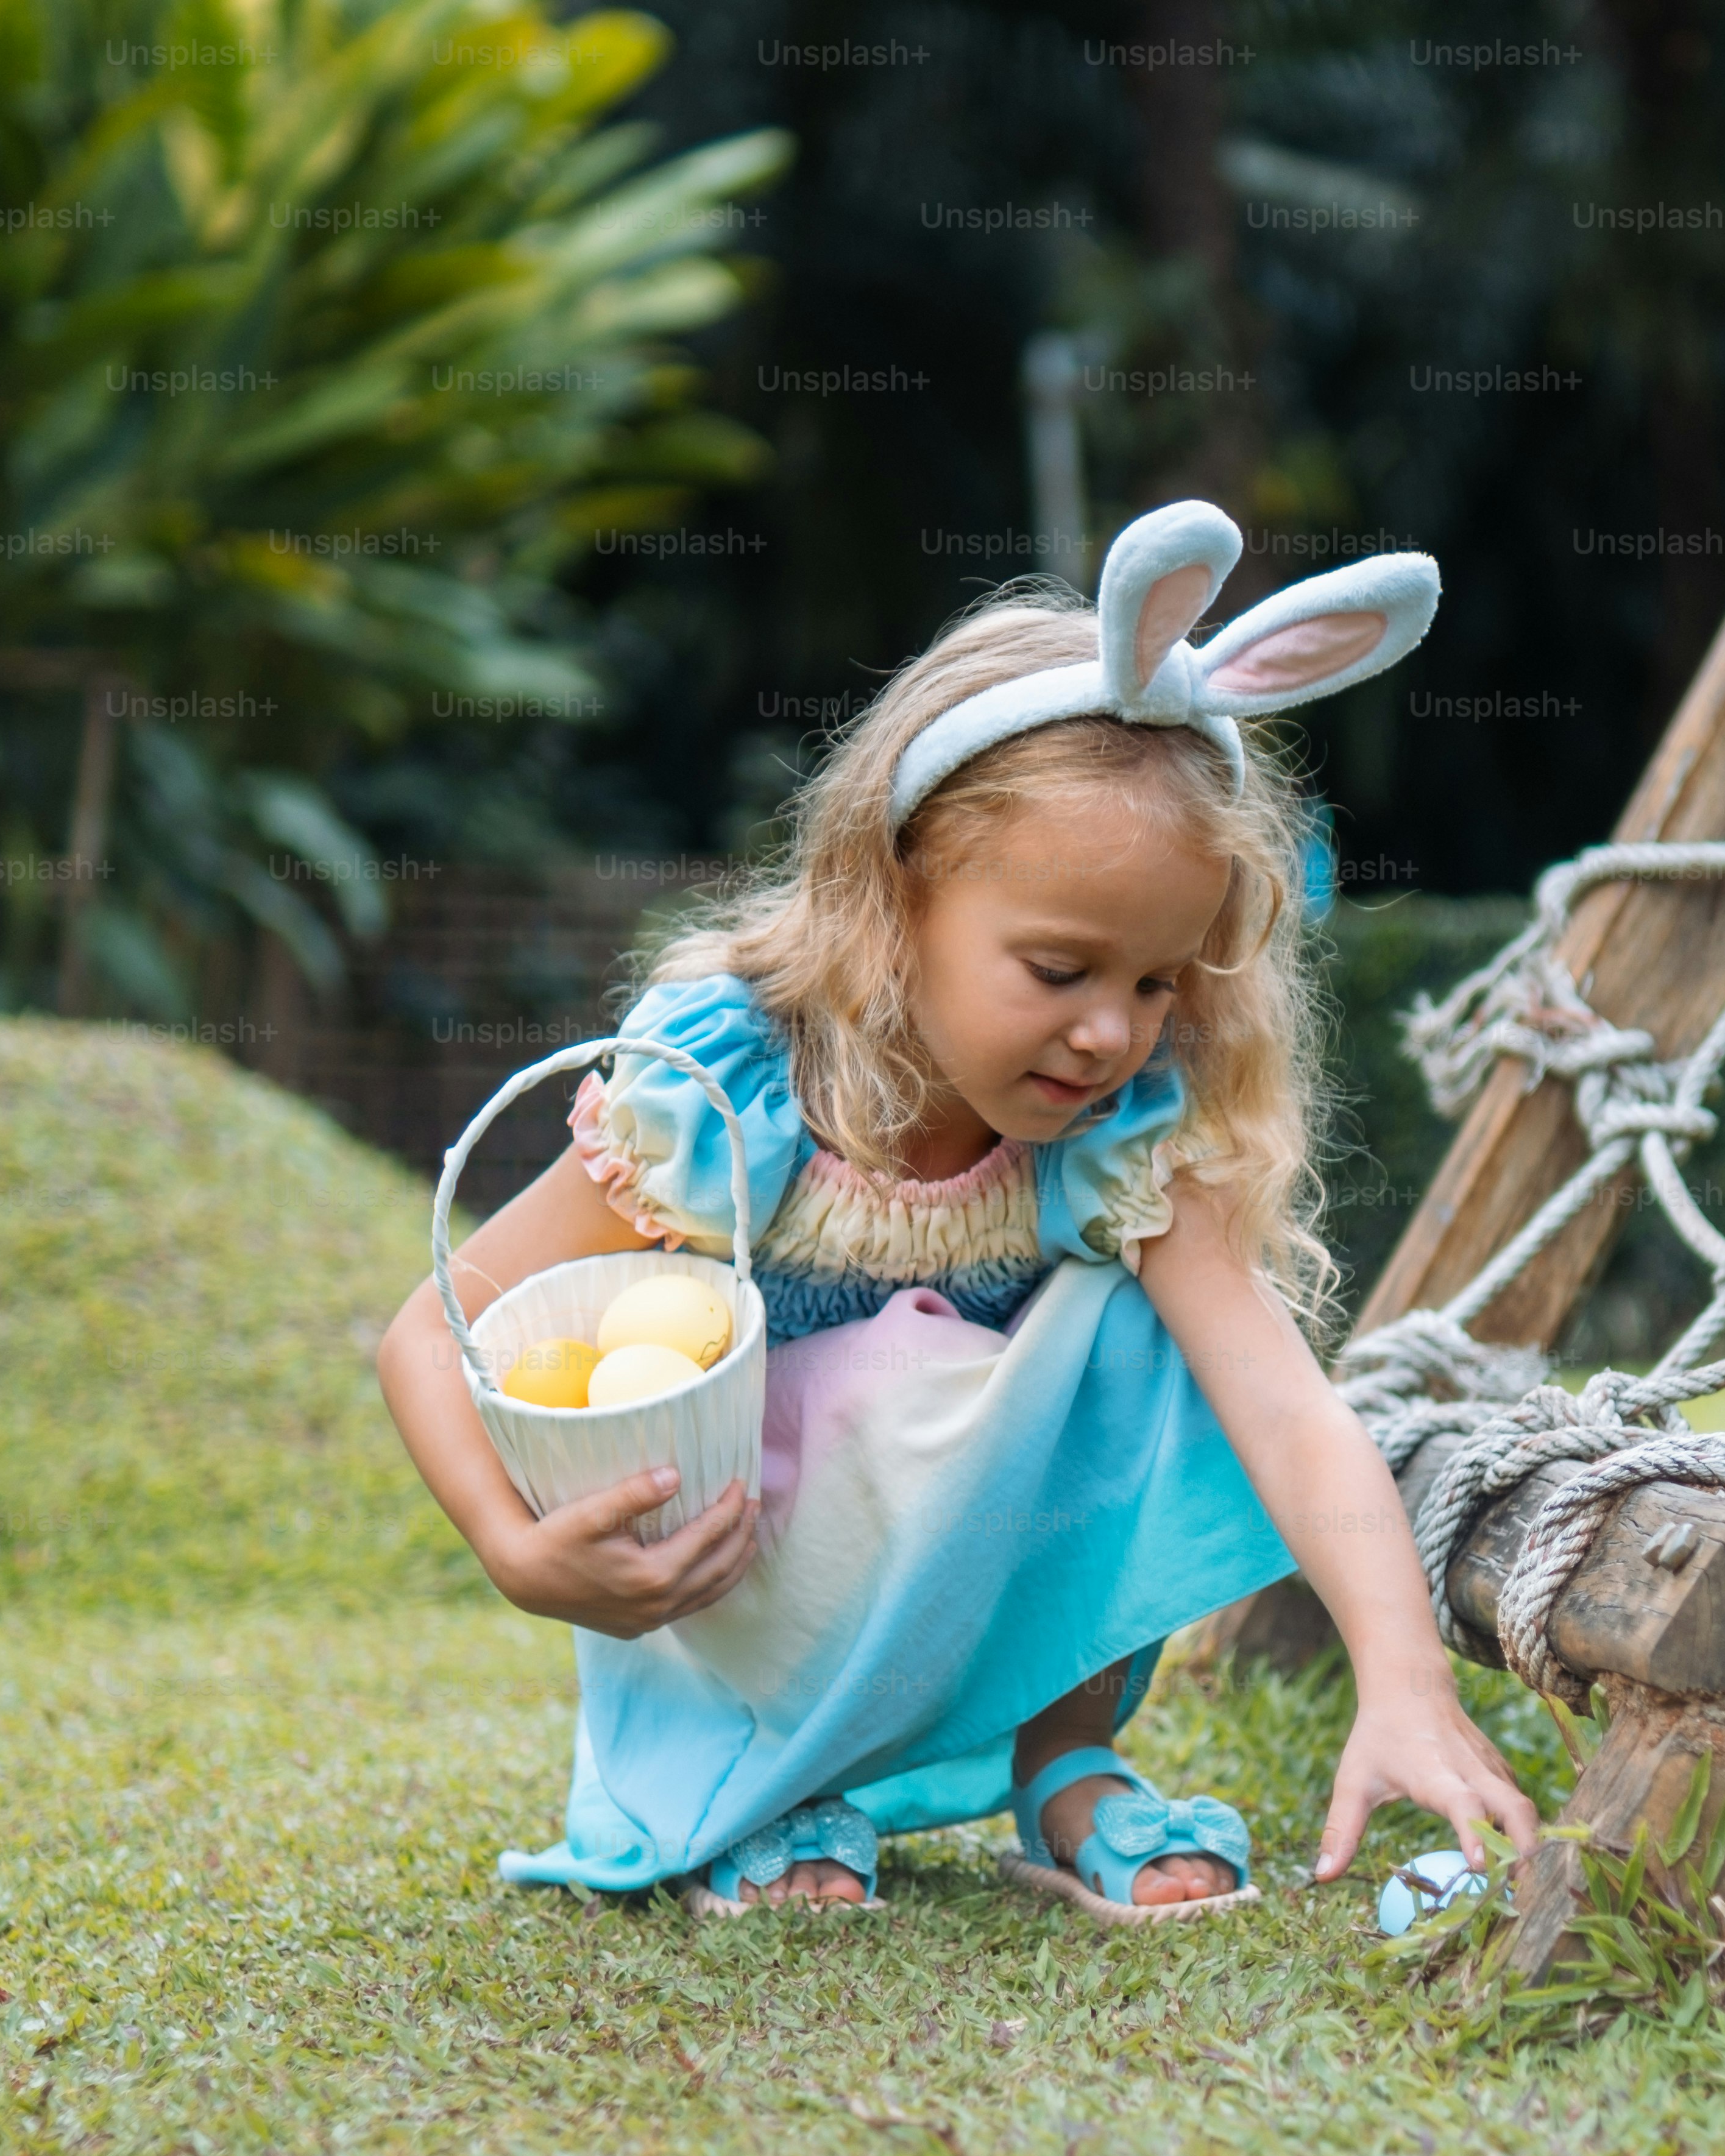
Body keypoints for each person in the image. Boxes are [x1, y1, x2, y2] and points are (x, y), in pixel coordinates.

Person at [375, 502, 1538, 1921]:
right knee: (884, 1362)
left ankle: (1067, 1760)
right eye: (1059, 968)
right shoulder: (728, 1092)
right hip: (746, 1584)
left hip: (967, 1560)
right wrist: (519, 1552)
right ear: (895, 892)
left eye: (1160, 979)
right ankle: (774, 1781)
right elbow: (436, 1335)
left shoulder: (1119, 1135)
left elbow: (1289, 1410)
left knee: (1137, 1329)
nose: (1114, 1031)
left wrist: (1406, 1682)